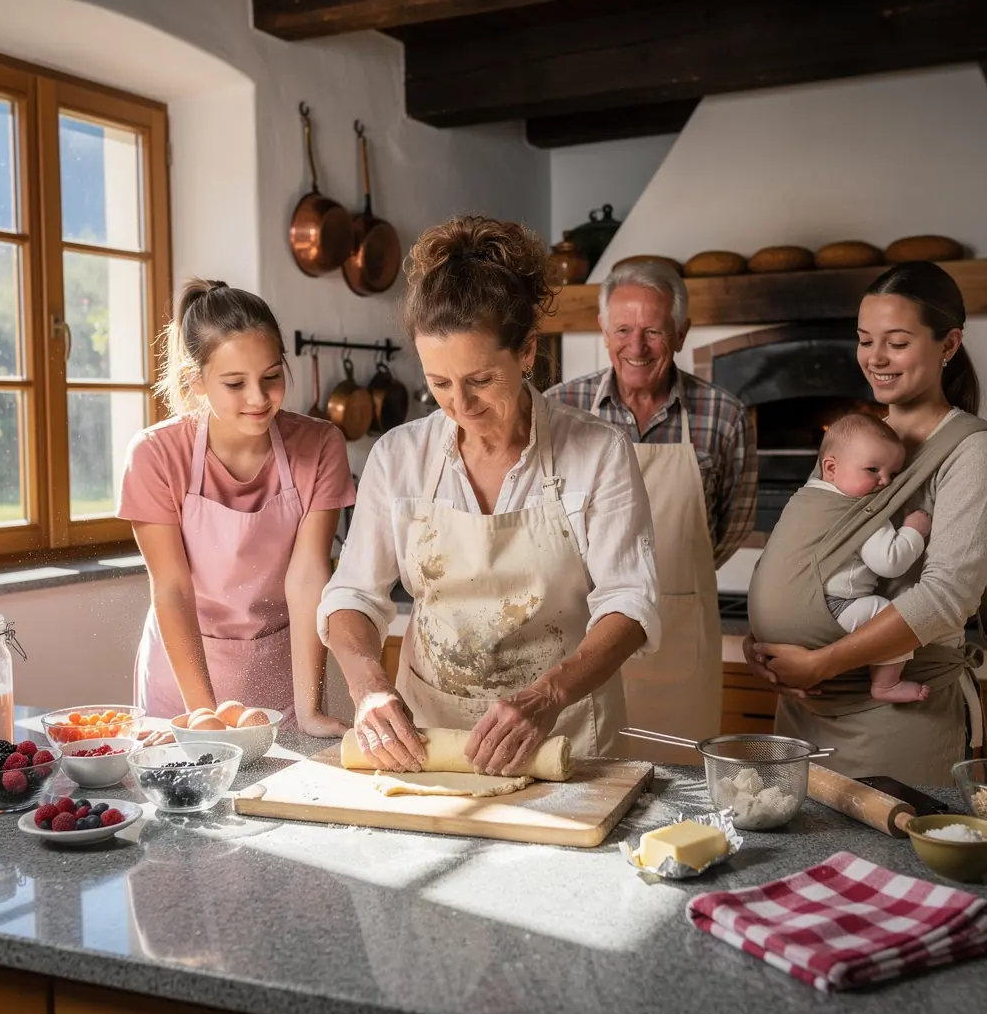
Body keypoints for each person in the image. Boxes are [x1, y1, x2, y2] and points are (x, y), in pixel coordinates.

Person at [318, 216, 660, 775]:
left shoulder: (597, 452)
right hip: (429, 744)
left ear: (526, 351)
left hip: (563, 740)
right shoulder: (399, 457)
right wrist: (369, 688)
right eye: (440, 384)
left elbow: (630, 602)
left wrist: (547, 696)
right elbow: (352, 594)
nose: (461, 404)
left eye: (480, 380)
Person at [744, 261, 987, 784]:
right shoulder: (856, 441)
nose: (875, 358)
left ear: (948, 346)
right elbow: (806, 550)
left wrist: (822, 663)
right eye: (865, 340)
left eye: (897, 342)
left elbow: (946, 597)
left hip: (898, 719)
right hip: (802, 713)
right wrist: (764, 641)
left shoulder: (973, 450)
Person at [118, 279, 355, 737]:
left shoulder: (320, 445)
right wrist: (205, 716)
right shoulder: (155, 454)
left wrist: (308, 711)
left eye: (272, 377)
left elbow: (308, 578)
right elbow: (172, 589)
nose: (259, 398)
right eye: (235, 383)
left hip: (283, 673)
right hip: (183, 684)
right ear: (196, 380)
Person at [547, 258, 757, 763]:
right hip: (582, 639)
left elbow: (733, 525)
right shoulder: (559, 409)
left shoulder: (725, 416)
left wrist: (675, 581)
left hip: (680, 641)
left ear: (681, 333)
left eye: (653, 331)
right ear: (602, 330)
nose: (635, 347)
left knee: (677, 788)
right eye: (622, 329)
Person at [768, 411, 932, 704]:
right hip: (829, 607)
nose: (884, 482)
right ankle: (886, 684)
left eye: (892, 474)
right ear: (830, 468)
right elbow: (890, 561)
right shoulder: (858, 510)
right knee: (888, 616)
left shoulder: (804, 499)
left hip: (771, 615)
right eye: (872, 470)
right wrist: (913, 531)